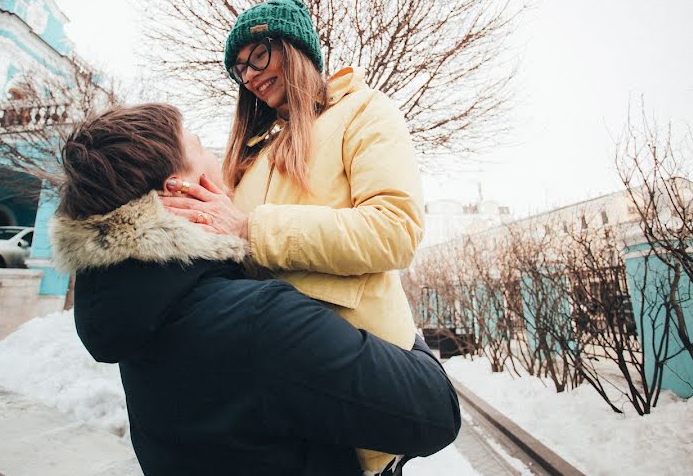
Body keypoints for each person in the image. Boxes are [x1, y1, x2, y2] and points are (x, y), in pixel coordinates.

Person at [50, 103, 460, 476]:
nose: (218, 158)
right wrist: (394, 314)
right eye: (200, 146)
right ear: (182, 187)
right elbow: (436, 411)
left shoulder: (132, 309)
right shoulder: (261, 323)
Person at [160, 0, 425, 474]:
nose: (251, 75)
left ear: (295, 47)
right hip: (280, 401)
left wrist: (251, 229)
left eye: (259, 54)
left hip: (357, 379)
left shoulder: (363, 111)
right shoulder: (253, 152)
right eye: (240, 68)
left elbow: (395, 230)